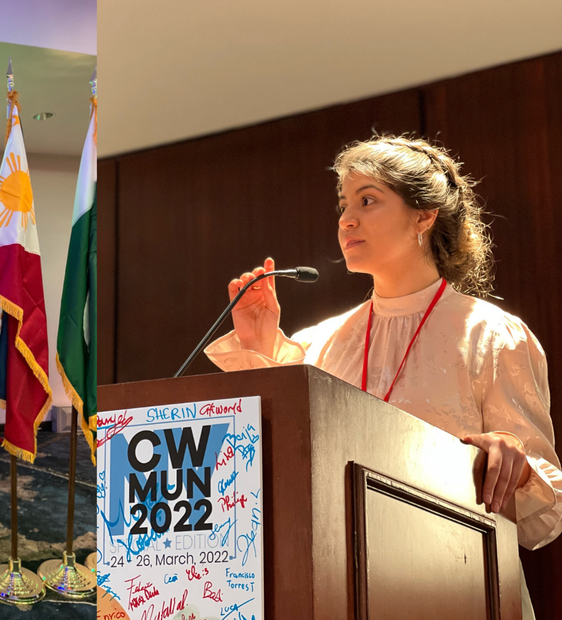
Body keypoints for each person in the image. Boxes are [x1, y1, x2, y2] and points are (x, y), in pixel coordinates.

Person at [205, 135, 562, 619]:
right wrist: (259, 345)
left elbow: (547, 508)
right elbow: (268, 474)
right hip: (336, 587)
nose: (346, 220)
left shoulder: (494, 335)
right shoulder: (317, 342)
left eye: (367, 200)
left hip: (456, 585)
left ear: (424, 214)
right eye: (343, 205)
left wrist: (509, 460)